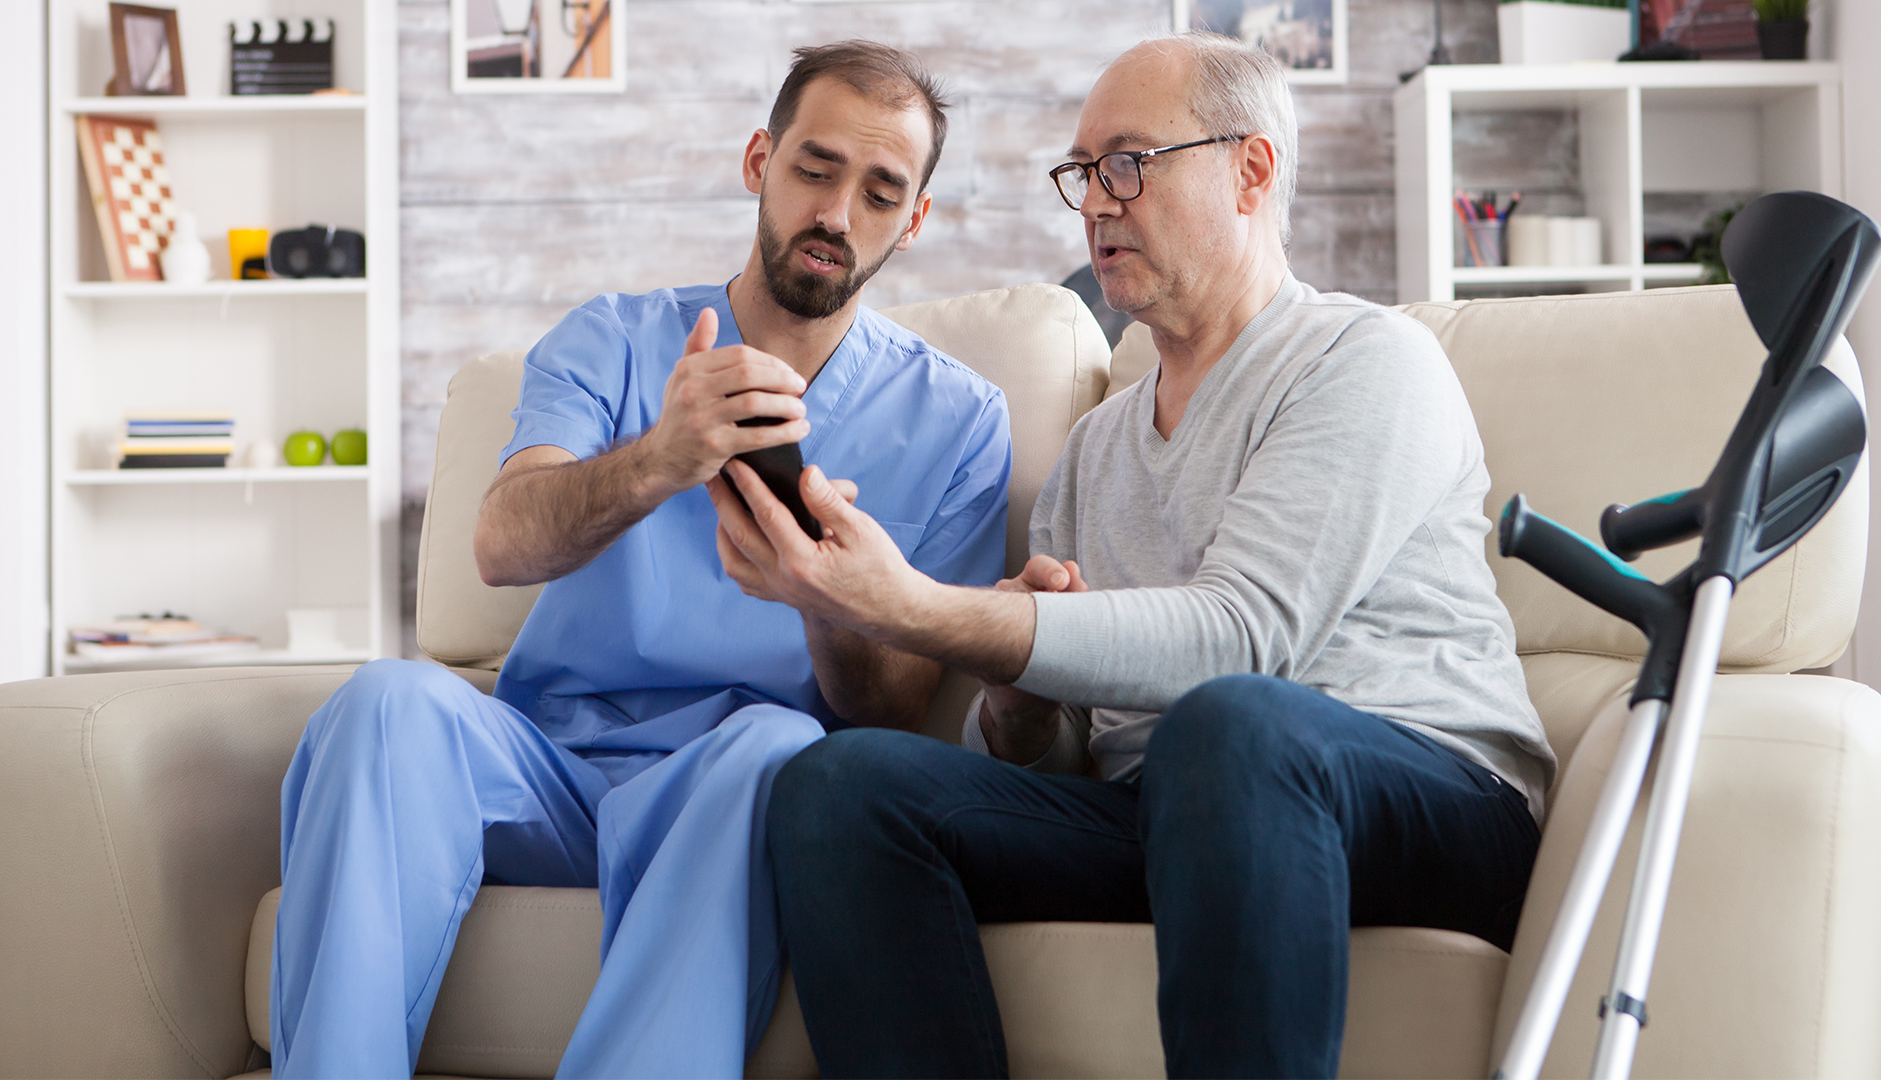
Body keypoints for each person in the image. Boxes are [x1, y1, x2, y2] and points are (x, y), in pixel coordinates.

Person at [710, 33, 1556, 1079]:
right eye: (1083, 176)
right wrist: (1019, 713)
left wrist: (921, 608)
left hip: (1430, 797)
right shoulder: (1098, 447)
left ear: (1251, 170)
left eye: (1128, 165)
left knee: (1229, 723)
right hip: (1177, 811)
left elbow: (1239, 639)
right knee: (843, 785)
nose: (1097, 203)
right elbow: (1082, 760)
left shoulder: (1367, 361)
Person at [268, 41, 1010, 1079]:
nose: (838, 213)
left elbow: (889, 712)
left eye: (881, 190)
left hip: (728, 785)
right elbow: (501, 541)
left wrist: (819, 591)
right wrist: (660, 459)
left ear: (915, 218)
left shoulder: (960, 421)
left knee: (772, 748)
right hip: (546, 768)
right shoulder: (612, 339)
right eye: (815, 169)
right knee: (385, 701)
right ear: (759, 160)